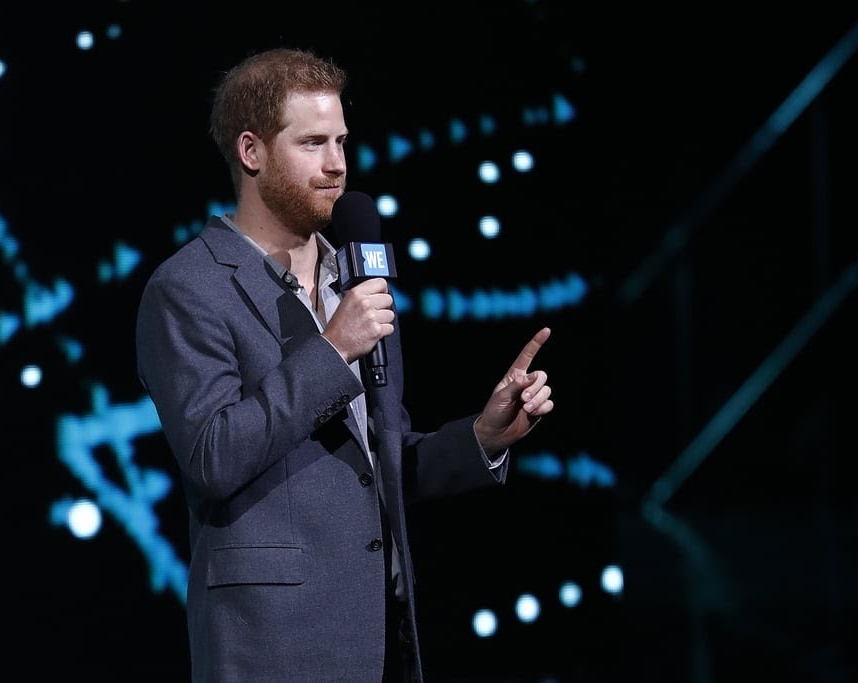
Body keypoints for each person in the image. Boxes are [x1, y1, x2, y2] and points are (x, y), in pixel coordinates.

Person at [134, 46, 555, 683]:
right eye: (312, 144)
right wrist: (331, 351)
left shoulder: (352, 276)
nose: (337, 167)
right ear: (252, 152)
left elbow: (374, 464)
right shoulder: (189, 287)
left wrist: (483, 438)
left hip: (382, 634)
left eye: (341, 142)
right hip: (272, 645)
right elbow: (213, 456)